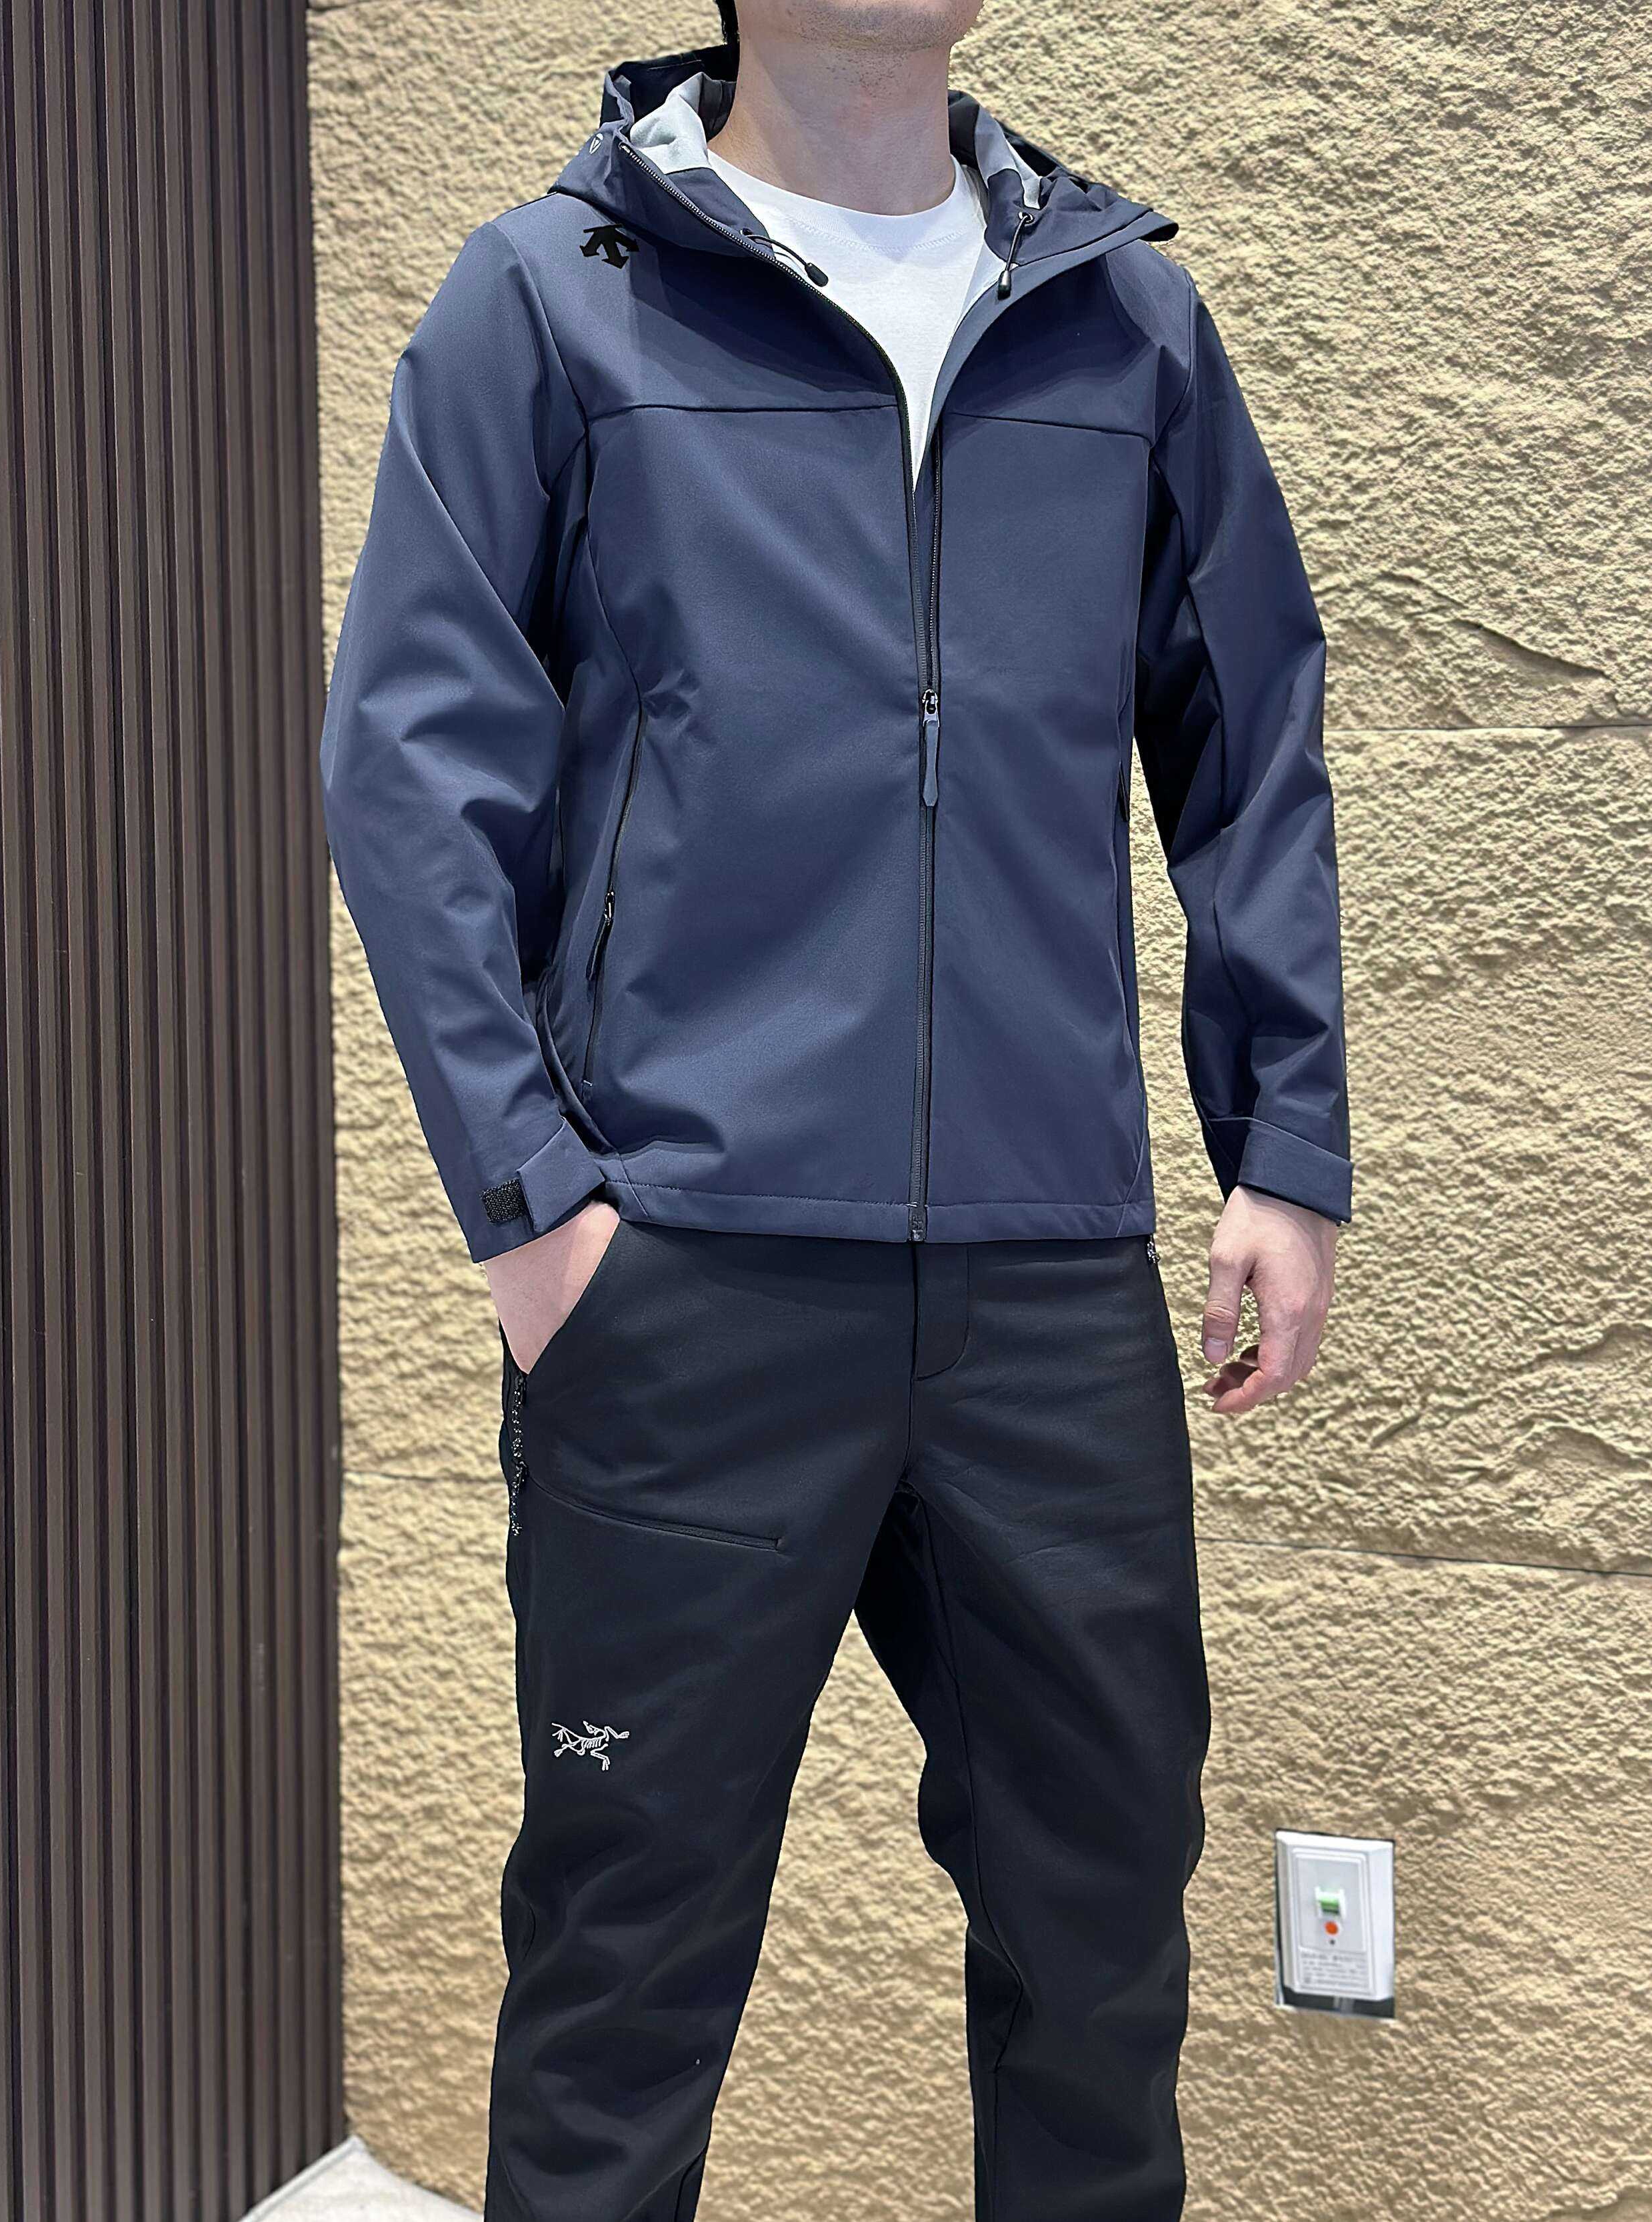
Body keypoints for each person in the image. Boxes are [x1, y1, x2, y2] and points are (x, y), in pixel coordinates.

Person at [320, 0, 1351, 2213]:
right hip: (683, 1288)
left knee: (1098, 1955)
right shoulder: (550, 298)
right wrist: (535, 1214)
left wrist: (1283, 1142)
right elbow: (411, 768)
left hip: (1045, 1292)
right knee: (624, 1966)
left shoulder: (1118, 318)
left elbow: (1246, 727)